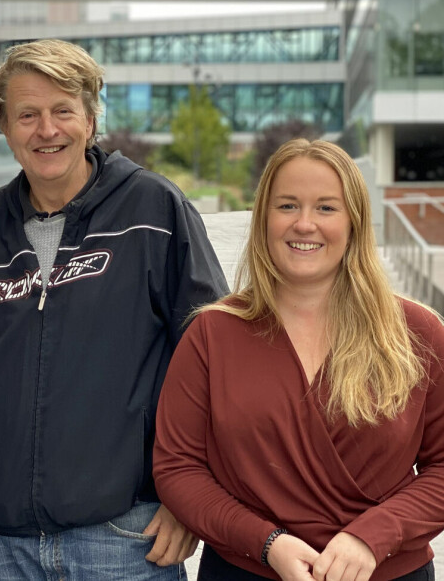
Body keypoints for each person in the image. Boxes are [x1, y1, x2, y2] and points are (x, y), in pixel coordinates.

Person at [0, 39, 228, 579]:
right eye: (27, 115)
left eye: (62, 111)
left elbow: (215, 360)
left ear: (90, 119)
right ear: (5, 128)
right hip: (3, 541)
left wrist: (189, 496)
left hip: (126, 532)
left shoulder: (155, 209)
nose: (47, 131)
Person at [154, 139, 444, 581]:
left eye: (326, 208)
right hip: (245, 570)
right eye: (287, 205)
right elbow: (178, 467)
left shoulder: (417, 332)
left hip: (388, 572)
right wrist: (265, 543)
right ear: (263, 219)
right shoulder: (212, 334)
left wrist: (374, 536)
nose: (304, 224)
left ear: (355, 222)